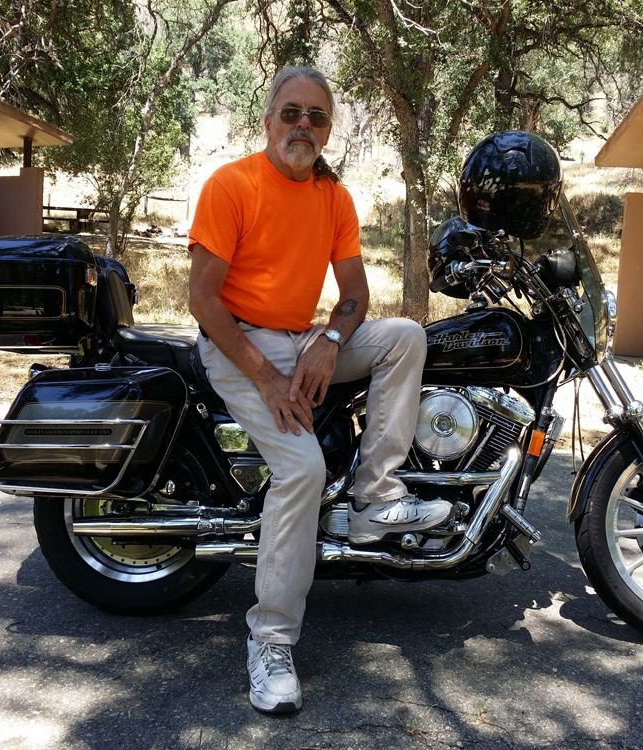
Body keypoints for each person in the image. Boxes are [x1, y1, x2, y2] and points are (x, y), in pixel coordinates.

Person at [187, 66, 453, 714]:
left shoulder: (333, 197)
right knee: (302, 468)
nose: (303, 125)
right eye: (291, 112)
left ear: (329, 130)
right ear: (268, 120)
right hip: (236, 343)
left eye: (316, 116)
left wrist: (331, 338)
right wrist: (269, 377)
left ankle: (375, 497)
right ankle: (271, 641)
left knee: (405, 337)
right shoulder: (232, 185)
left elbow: (354, 291)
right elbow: (202, 300)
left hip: (301, 337)